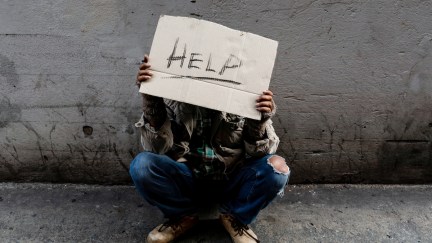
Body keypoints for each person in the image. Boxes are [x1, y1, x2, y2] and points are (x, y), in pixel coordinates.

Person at [129, 55, 291, 243]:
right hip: (188, 178)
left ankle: (234, 217)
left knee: (277, 168)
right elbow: (156, 149)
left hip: (231, 179)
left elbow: (260, 154)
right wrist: (151, 99)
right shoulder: (174, 99)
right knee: (142, 166)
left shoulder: (245, 97)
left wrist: (259, 119)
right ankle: (183, 216)